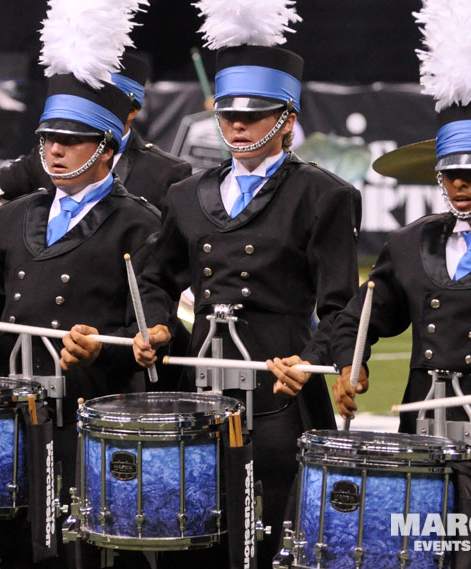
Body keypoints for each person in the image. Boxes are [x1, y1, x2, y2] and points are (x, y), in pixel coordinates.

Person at [275, 100, 471, 569]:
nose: (458, 183)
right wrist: (346, 360)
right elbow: (359, 317)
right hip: (418, 447)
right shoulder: (409, 243)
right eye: (447, 173)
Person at [0, 17, 159, 569]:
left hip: (88, 408)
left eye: (70, 141)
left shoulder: (140, 222)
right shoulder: (12, 216)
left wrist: (105, 345)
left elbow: (153, 319)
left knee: (75, 545)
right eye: (47, 140)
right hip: (12, 403)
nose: (55, 151)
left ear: (105, 147)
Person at [132, 42, 362, 566]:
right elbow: (153, 277)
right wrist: (157, 325)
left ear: (287, 119)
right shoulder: (186, 194)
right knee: (195, 530)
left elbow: (340, 305)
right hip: (199, 384)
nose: (237, 126)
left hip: (280, 386)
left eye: (253, 115)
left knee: (280, 537)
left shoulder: (324, 195)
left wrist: (313, 360)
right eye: (228, 113)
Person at [0, 52, 192, 213]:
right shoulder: (44, 157)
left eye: (108, 102)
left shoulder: (166, 172)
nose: (92, 109)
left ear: (133, 111)